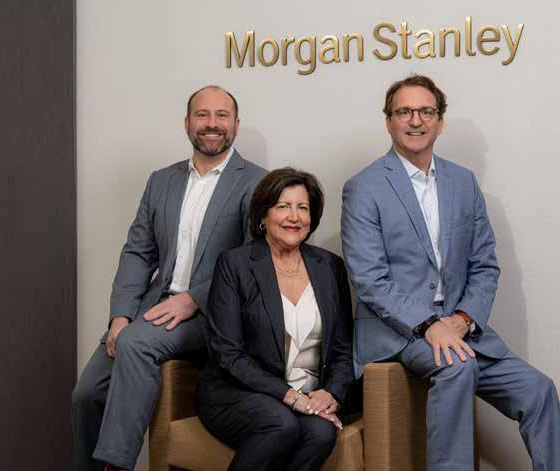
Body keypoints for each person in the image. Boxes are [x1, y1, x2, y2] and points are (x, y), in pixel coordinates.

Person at [341, 75, 560, 470]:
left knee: (538, 389)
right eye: (404, 112)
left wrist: (464, 318)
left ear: (440, 122)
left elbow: (484, 264)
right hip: (398, 331)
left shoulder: (463, 182)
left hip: (459, 325)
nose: (415, 120)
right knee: (457, 365)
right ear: (388, 122)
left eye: (426, 112)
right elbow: (369, 279)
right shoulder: (364, 187)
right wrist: (429, 325)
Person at [71, 85, 267, 471]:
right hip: (153, 308)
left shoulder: (257, 182)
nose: (212, 124)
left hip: (212, 312)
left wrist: (194, 299)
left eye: (222, 115)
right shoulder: (161, 181)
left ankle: (115, 466)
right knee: (86, 393)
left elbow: (253, 261)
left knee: (137, 343)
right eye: (202, 115)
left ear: (236, 124)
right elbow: (138, 253)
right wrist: (120, 316)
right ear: (187, 122)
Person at [197, 168, 355, 471]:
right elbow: (228, 354)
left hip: (307, 394)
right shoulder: (235, 264)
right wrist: (291, 397)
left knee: (321, 433)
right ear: (263, 215)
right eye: (283, 206)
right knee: (281, 424)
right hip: (240, 393)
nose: (294, 217)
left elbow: (343, 348)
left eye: (303, 207)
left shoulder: (330, 267)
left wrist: (331, 393)